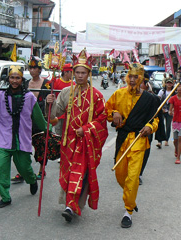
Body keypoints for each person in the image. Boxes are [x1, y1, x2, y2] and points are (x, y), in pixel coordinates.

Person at [0, 65, 48, 208]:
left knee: (25, 168)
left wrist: (49, 131)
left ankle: (31, 180)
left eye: (17, 77)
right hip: (3, 141)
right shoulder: (0, 96)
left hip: (22, 141)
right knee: (2, 169)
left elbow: (39, 118)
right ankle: (5, 197)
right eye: (12, 77)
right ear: (8, 79)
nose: (15, 80)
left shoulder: (29, 97)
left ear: (22, 79)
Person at [46, 48, 108, 222]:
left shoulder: (97, 96)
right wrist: (48, 104)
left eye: (83, 73)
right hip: (68, 142)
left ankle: (71, 206)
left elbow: (102, 119)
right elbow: (54, 115)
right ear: (73, 73)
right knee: (69, 172)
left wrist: (87, 129)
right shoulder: (66, 92)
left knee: (80, 172)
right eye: (77, 72)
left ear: (88, 74)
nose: (80, 76)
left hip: (86, 143)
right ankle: (69, 204)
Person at [105, 63, 160, 228]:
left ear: (142, 79)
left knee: (133, 177)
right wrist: (113, 114)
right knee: (120, 175)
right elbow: (105, 111)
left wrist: (150, 127)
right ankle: (131, 198)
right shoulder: (118, 94)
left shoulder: (150, 99)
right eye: (131, 76)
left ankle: (128, 211)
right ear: (127, 77)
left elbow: (155, 119)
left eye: (137, 77)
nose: (133, 80)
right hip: (122, 139)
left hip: (139, 140)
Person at [11, 56, 50, 183]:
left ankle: (41, 170)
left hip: (40, 118)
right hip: (25, 120)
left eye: (35, 68)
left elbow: (52, 103)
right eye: (31, 68)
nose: (32, 70)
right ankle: (22, 171)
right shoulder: (25, 83)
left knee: (41, 146)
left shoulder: (47, 84)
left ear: (40, 69)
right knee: (23, 147)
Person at [52, 63, 75, 136]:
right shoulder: (56, 82)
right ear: (65, 72)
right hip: (59, 114)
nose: (73, 74)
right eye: (71, 72)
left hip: (70, 115)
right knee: (59, 135)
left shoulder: (73, 84)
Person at [156, 78, 175, 148]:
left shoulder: (174, 92)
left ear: (172, 84)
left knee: (168, 126)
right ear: (166, 84)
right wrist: (161, 108)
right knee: (161, 125)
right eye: (168, 83)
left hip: (170, 111)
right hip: (162, 110)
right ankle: (159, 141)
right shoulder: (162, 91)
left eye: (170, 83)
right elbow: (158, 99)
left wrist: (172, 109)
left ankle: (166, 139)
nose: (169, 84)